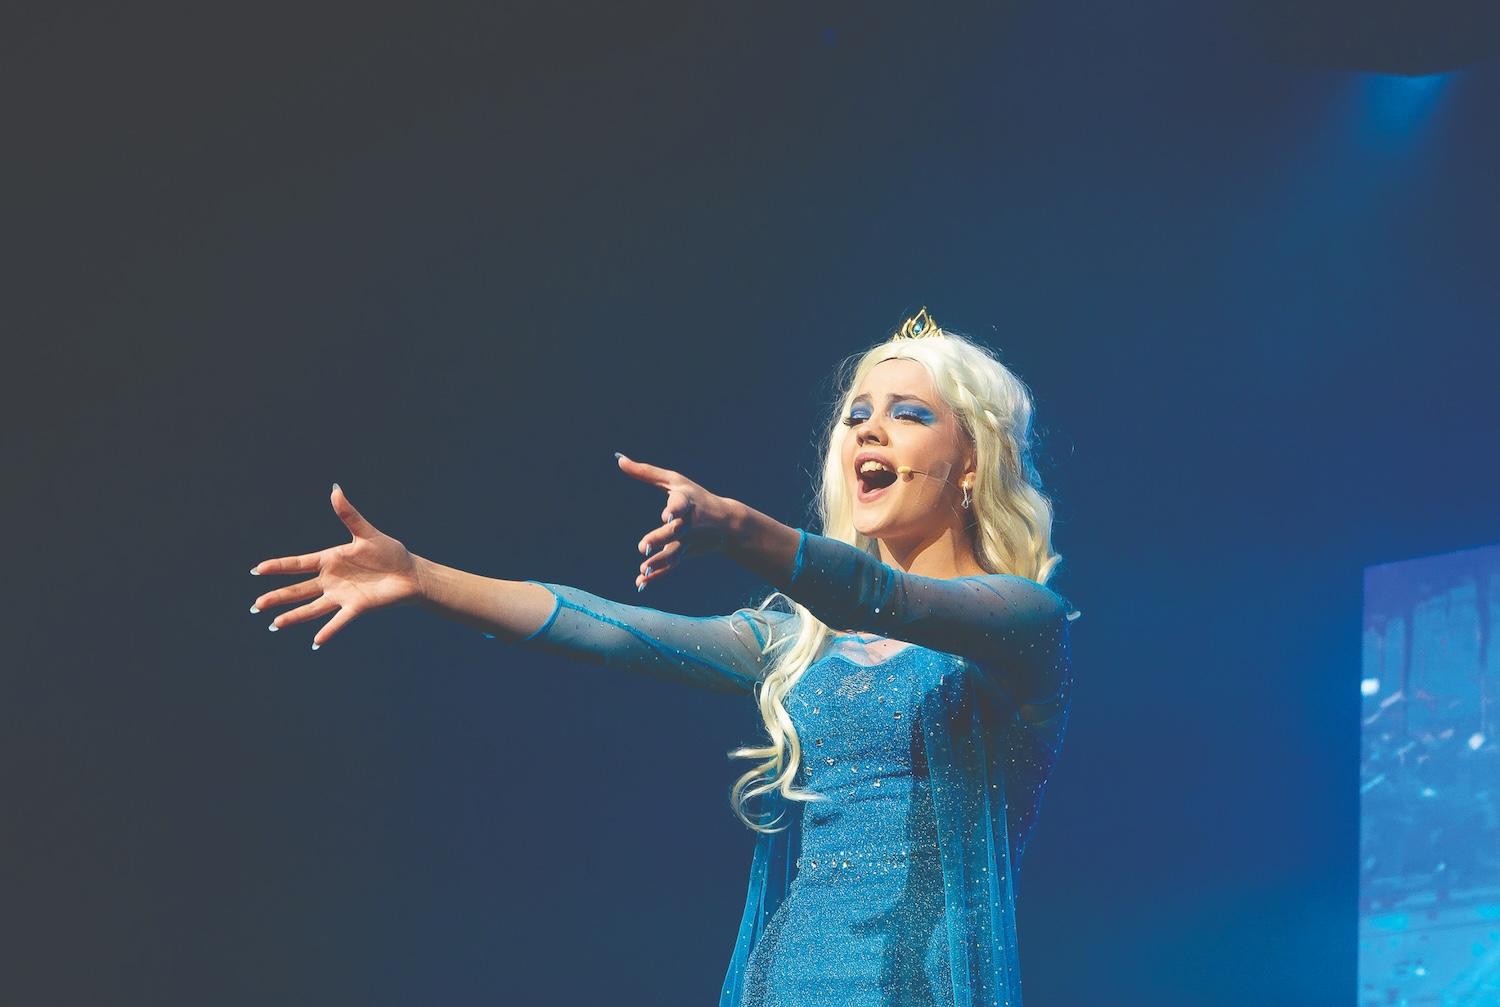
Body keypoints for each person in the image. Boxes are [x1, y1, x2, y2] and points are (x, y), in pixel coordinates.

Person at [248, 308, 1078, 1007]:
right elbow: (609, 629)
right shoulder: (797, 645)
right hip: (785, 978)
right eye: (858, 411)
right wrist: (422, 576)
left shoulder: (1018, 623)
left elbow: (881, 597)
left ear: (971, 458)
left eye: (909, 412)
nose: (868, 425)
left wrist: (736, 528)